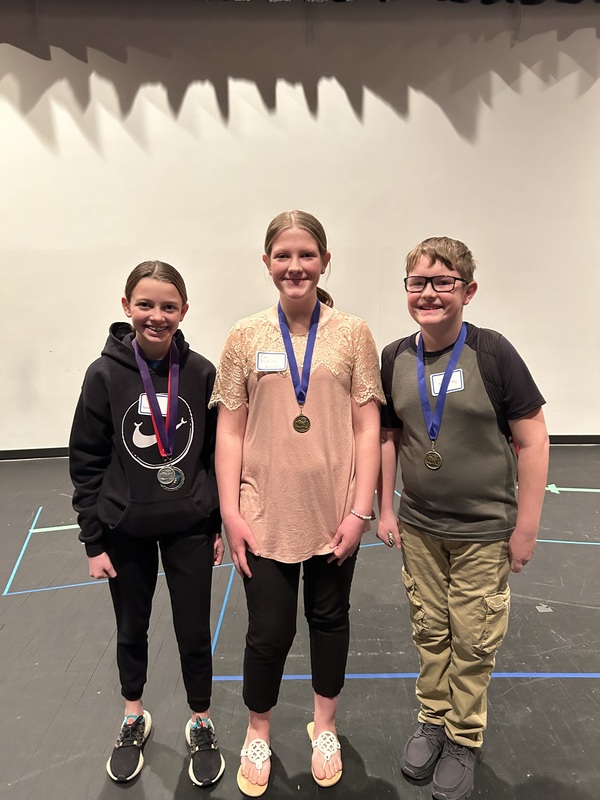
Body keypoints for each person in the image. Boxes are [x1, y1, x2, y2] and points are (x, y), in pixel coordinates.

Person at [210, 210, 384, 796]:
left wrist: (360, 511)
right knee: (268, 632)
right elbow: (229, 430)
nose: (295, 266)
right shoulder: (245, 336)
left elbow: (367, 426)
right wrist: (230, 512)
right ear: (267, 263)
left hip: (334, 512)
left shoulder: (354, 333)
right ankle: (257, 732)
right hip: (263, 512)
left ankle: (324, 727)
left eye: (306, 255)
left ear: (325, 261)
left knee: (329, 623)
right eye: (283, 255)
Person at [377, 237, 549, 800]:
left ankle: (463, 737)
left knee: (473, 639)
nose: (428, 293)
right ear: (406, 290)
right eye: (418, 282)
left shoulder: (493, 353)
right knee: (430, 629)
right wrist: (385, 507)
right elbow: (390, 436)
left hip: (483, 531)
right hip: (421, 529)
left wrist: (525, 528)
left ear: (467, 291)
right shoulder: (395, 357)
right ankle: (433, 718)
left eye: (443, 282)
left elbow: (534, 438)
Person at [69, 261, 225, 787]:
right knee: (131, 627)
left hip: (189, 527)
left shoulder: (201, 372)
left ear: (184, 311)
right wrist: (93, 540)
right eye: (145, 304)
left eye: (168, 306)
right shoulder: (103, 374)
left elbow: (213, 455)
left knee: (193, 629)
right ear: (126, 306)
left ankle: (200, 720)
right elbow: (87, 460)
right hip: (124, 529)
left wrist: (216, 523)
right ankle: (134, 715)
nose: (157, 316)